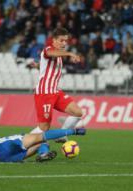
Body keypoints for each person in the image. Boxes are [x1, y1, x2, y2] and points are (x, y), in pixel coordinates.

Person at [27, 28, 84, 162]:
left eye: (66, 40)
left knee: (78, 112)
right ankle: (31, 144)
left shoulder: (57, 56)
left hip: (55, 92)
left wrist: (37, 65)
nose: (64, 43)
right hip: (45, 93)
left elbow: (46, 65)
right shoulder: (49, 49)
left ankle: (61, 135)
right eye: (61, 40)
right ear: (54, 40)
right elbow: (49, 53)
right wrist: (70, 53)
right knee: (44, 128)